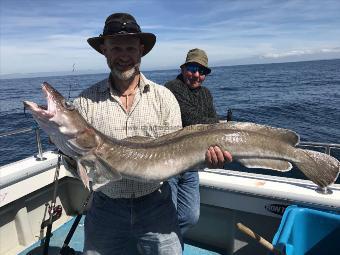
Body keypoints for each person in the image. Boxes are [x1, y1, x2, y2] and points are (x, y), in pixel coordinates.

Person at [67, 13, 231, 255]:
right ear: (104, 51)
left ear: (141, 50)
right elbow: (77, 167)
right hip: (105, 208)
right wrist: (67, 150)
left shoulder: (165, 98)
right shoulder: (84, 102)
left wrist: (205, 161)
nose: (124, 56)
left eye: (130, 48)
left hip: (156, 205)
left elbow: (176, 158)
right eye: (116, 48)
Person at [165, 48, 231, 235]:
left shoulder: (206, 94)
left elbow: (210, 125)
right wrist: (218, 125)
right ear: (183, 68)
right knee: (166, 214)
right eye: (193, 69)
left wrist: (215, 126)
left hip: (193, 165)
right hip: (169, 163)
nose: (196, 75)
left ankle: (169, 243)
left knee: (189, 216)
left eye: (202, 72)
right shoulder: (171, 88)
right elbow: (192, 119)